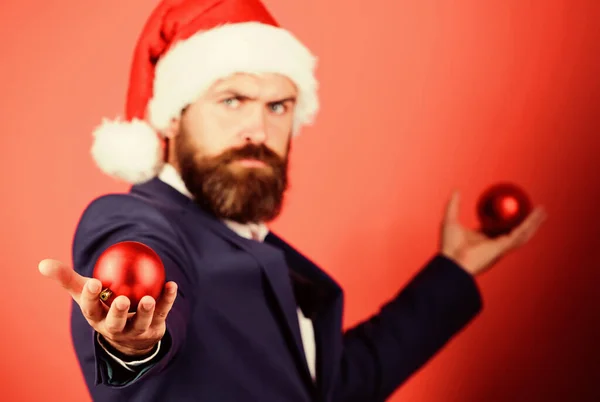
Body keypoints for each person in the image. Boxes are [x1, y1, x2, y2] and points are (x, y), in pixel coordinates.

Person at [38, 0, 547, 401]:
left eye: (278, 106)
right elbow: (150, 290)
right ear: (172, 116)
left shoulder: (254, 248)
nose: (258, 129)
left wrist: (453, 270)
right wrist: (132, 342)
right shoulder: (136, 219)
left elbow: (338, 385)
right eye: (231, 100)